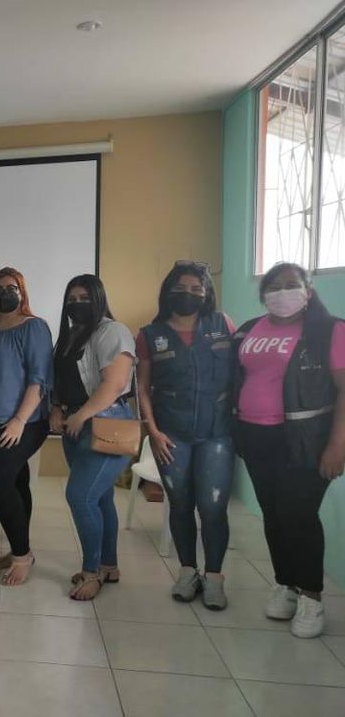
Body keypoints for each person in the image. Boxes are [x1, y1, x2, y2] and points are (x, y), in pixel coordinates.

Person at [231, 262, 345, 638]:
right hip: (256, 437)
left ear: (308, 291)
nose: (283, 293)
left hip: (306, 440)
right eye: (274, 286)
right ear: (264, 294)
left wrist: (337, 445)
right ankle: (286, 584)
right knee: (274, 514)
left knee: (299, 514)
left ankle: (311, 596)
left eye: (291, 285)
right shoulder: (250, 329)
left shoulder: (328, 330)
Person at [136, 261, 235, 610]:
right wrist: (152, 431)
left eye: (196, 289)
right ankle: (188, 571)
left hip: (216, 435)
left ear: (206, 294)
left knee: (212, 507)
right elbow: (143, 388)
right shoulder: (150, 334)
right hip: (170, 435)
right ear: (168, 292)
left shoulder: (221, 325)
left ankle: (215, 577)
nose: (188, 295)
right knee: (180, 504)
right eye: (180, 289)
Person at [50, 275, 136, 601]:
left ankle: (91, 572)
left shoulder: (113, 331)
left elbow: (114, 384)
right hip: (75, 425)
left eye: (84, 297)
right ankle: (109, 565)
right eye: (72, 298)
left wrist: (81, 415)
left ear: (99, 299)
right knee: (100, 498)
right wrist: (57, 408)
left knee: (80, 496)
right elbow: (61, 378)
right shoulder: (71, 335)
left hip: (105, 422)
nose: (77, 303)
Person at [0, 268, 52, 586]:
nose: (4, 292)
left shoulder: (34, 327)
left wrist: (19, 420)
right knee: (17, 482)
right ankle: (20, 545)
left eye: (11, 286)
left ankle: (22, 555)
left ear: (22, 291)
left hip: (23, 422)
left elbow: (39, 379)